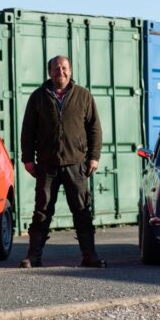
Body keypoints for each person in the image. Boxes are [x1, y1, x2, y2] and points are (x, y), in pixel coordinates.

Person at [19, 55, 106, 268]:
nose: (61, 72)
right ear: (49, 72)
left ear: (70, 71)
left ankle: (89, 255)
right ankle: (34, 256)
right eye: (56, 69)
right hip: (47, 164)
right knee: (42, 211)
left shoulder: (83, 96)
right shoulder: (38, 97)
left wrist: (93, 157)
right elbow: (28, 130)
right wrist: (28, 159)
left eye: (64, 68)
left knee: (82, 210)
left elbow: (94, 128)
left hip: (75, 164)